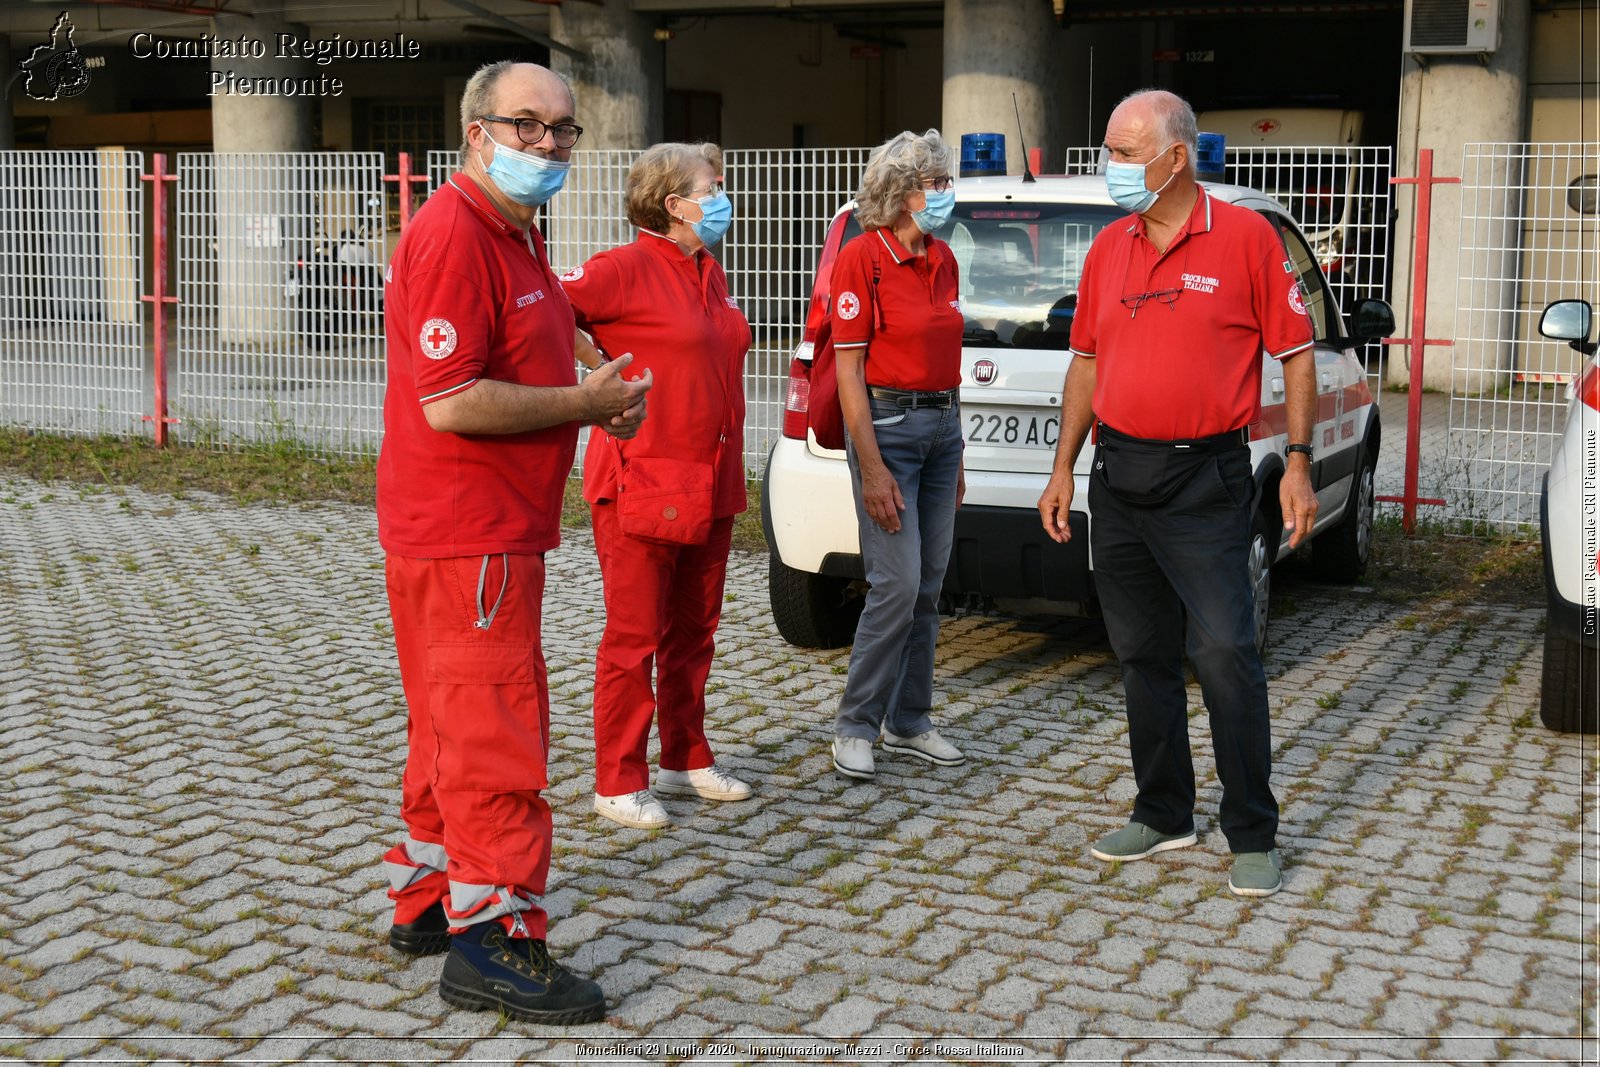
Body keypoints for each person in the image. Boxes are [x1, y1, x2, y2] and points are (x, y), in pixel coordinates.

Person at [376, 59, 651, 1024]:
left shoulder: (516, 231)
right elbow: (452, 400)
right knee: (494, 731)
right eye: (525, 126)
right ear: (476, 134)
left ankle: (425, 899)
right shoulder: (455, 234)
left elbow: (546, 332)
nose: (547, 144)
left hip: (469, 532)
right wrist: (586, 402)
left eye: (562, 130)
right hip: (469, 533)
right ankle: (491, 941)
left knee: (446, 723)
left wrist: (594, 385)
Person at [1035, 89, 1317, 898]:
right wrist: (1063, 467)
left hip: (1206, 479)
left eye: (1125, 153)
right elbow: (1084, 361)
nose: (1112, 168)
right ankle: (1163, 811)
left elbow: (1296, 352)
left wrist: (1297, 461)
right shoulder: (1107, 249)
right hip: (1119, 477)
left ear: (1176, 157)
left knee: (1225, 653)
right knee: (1141, 654)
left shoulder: (1245, 239)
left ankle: (1252, 830)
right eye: (1110, 152)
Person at [560, 142, 755, 829]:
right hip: (644, 477)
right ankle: (618, 777)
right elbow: (551, 308)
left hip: (712, 475)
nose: (726, 196)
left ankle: (685, 754)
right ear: (673, 204)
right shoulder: (623, 268)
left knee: (694, 631)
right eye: (715, 187)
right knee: (634, 636)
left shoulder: (707, 268)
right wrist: (598, 368)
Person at [829, 129, 968, 782]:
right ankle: (857, 722)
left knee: (931, 583)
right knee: (898, 583)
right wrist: (873, 466)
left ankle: (910, 720)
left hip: (943, 429)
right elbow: (848, 372)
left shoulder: (944, 257)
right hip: (887, 427)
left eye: (946, 181)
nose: (946, 194)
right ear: (900, 192)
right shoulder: (863, 257)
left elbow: (949, 359)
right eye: (935, 184)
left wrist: (958, 451)